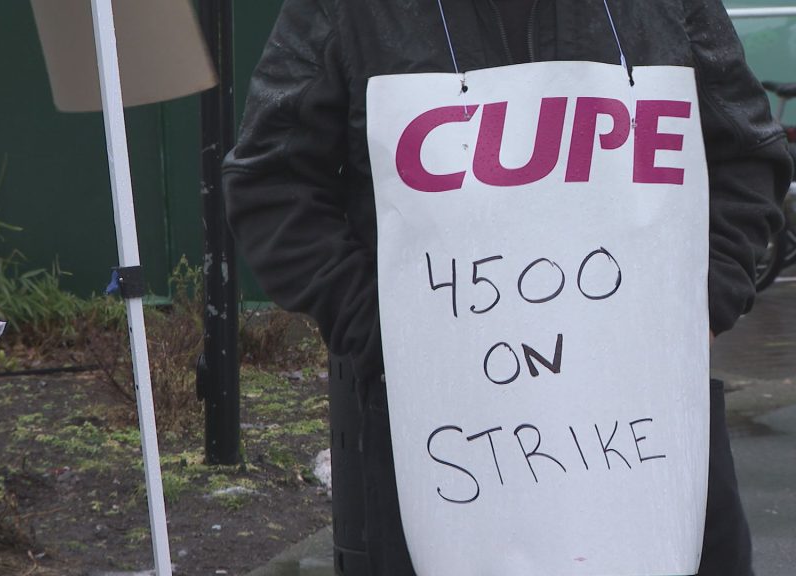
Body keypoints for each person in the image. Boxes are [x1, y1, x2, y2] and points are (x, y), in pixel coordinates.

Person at [223, 1, 793, 575]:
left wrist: (700, 305)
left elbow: (747, 154)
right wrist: (387, 330)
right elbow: (271, 183)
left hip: (647, 434)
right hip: (447, 450)